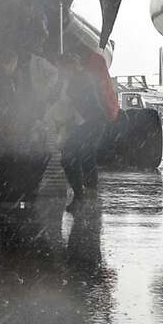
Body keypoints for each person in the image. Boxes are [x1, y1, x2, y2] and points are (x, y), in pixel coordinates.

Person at [59, 61, 111, 211]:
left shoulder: (78, 81)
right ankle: (86, 197)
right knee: (85, 157)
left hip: (91, 123)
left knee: (72, 155)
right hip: (92, 123)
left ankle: (82, 197)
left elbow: (68, 101)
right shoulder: (82, 78)